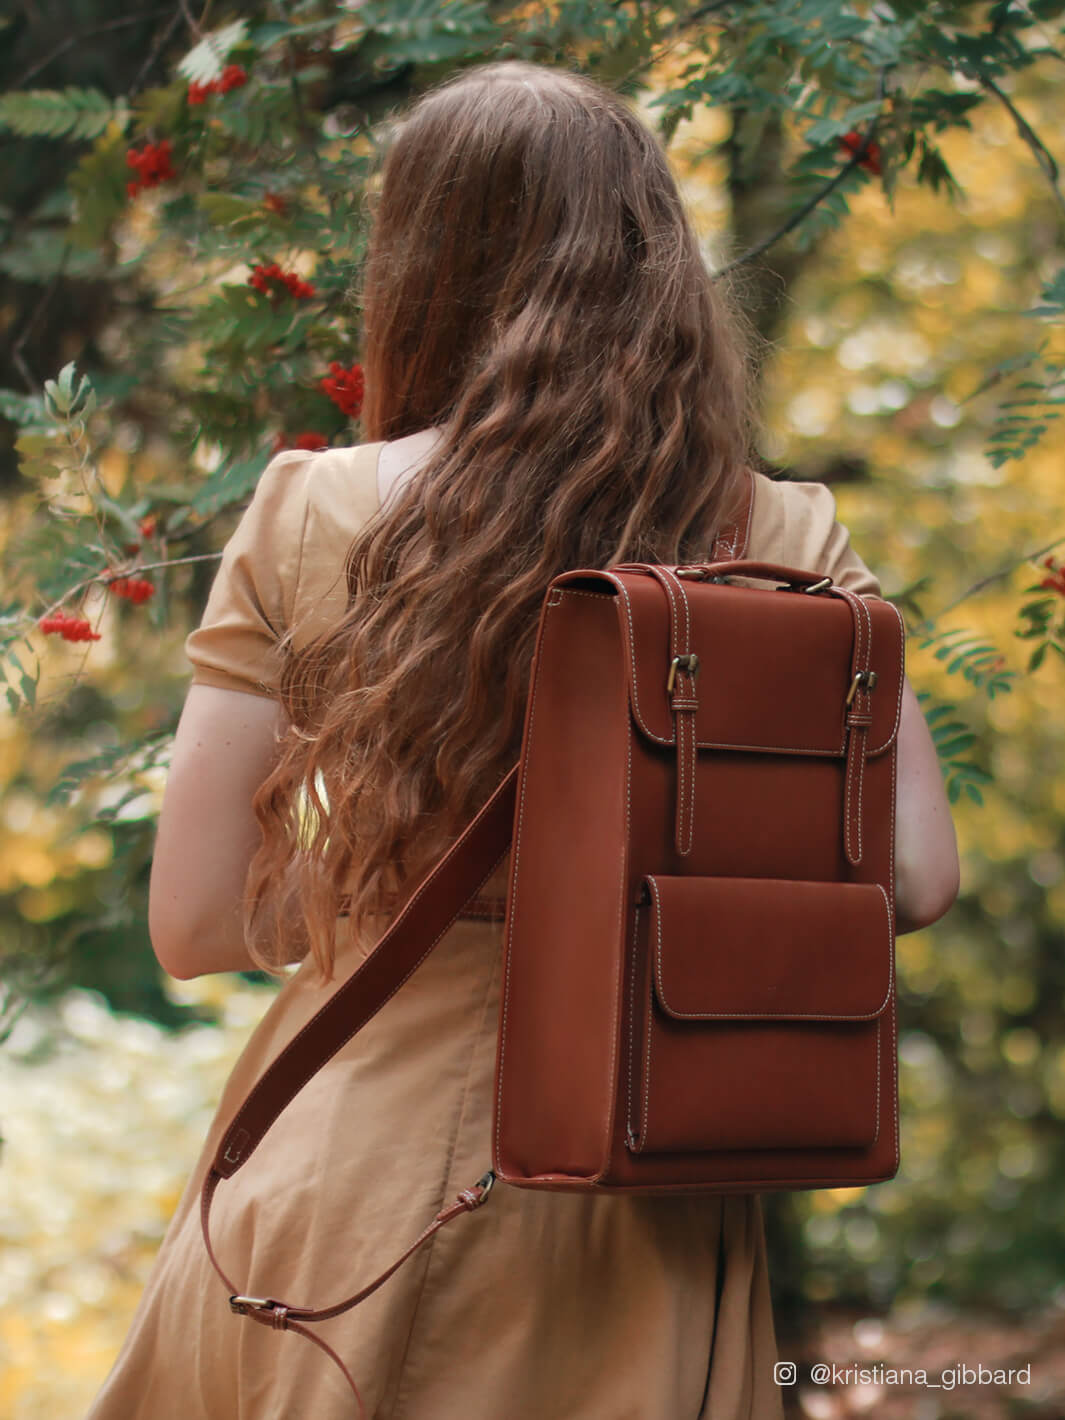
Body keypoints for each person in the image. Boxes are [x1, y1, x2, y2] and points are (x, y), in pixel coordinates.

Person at [86, 59, 960, 1420]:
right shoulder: (780, 539)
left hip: (352, 1193)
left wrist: (403, 868)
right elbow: (911, 878)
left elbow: (197, 921)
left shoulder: (314, 510)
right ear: (658, 259)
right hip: (642, 1201)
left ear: (418, 261)